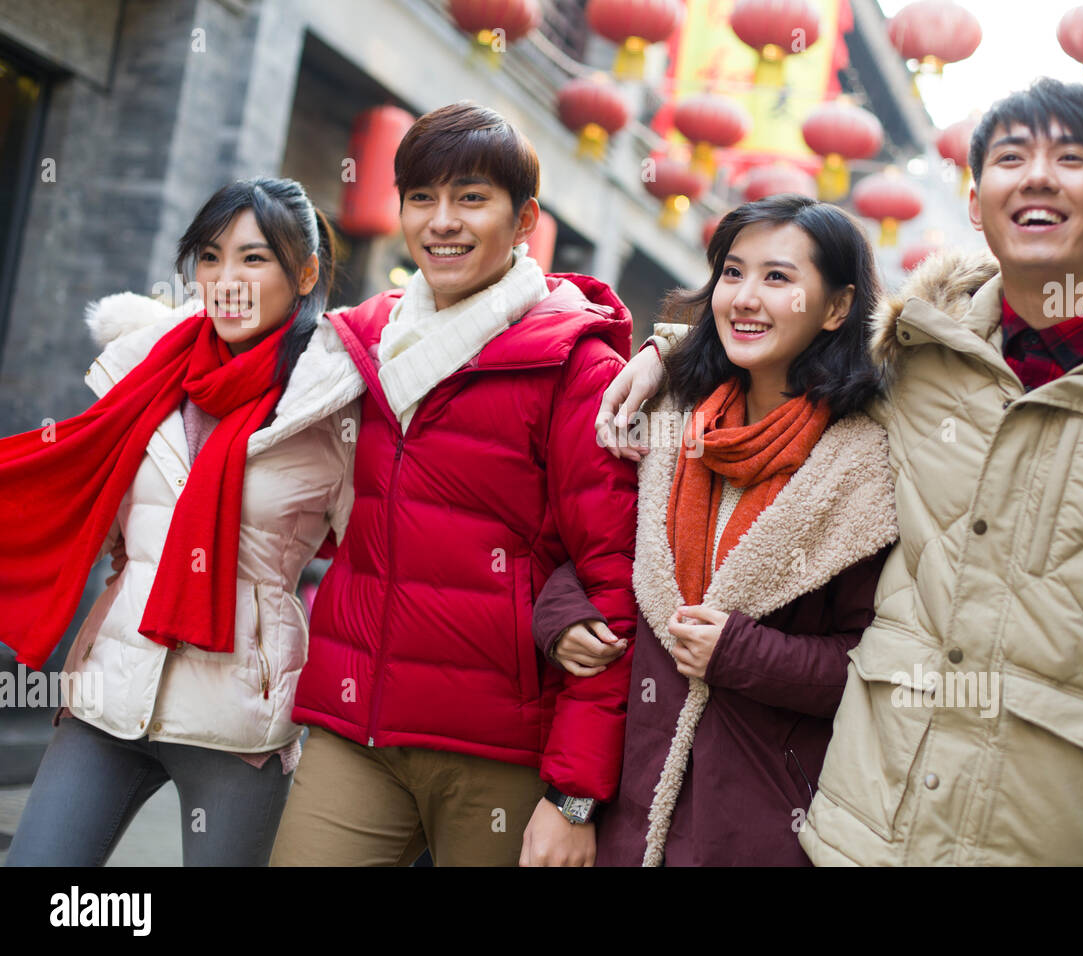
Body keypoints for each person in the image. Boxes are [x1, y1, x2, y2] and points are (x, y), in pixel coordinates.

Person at [597, 78, 1083, 865]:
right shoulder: (913, 359)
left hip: (1070, 837)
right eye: (1011, 157)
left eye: (1069, 157)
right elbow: (777, 330)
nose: (1037, 176)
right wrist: (662, 354)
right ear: (976, 203)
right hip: (868, 835)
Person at [268, 102, 638, 867]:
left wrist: (574, 796)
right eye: (421, 198)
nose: (443, 222)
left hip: (499, 750)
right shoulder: (362, 345)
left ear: (524, 217)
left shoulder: (577, 366)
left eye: (471, 198)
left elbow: (614, 584)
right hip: (355, 727)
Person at [2, 177, 361, 866]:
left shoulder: (333, 408)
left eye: (254, 259)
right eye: (209, 256)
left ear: (306, 272)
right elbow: (80, 499)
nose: (226, 279)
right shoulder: (150, 374)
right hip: (110, 696)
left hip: (238, 726)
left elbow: (383, 561)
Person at [531, 194, 898, 865]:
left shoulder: (863, 468)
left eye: (778, 278)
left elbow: (877, 663)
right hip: (622, 803)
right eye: (733, 273)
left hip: (757, 822)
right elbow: (592, 551)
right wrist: (562, 613)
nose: (746, 298)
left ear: (838, 308)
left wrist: (744, 654)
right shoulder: (668, 421)